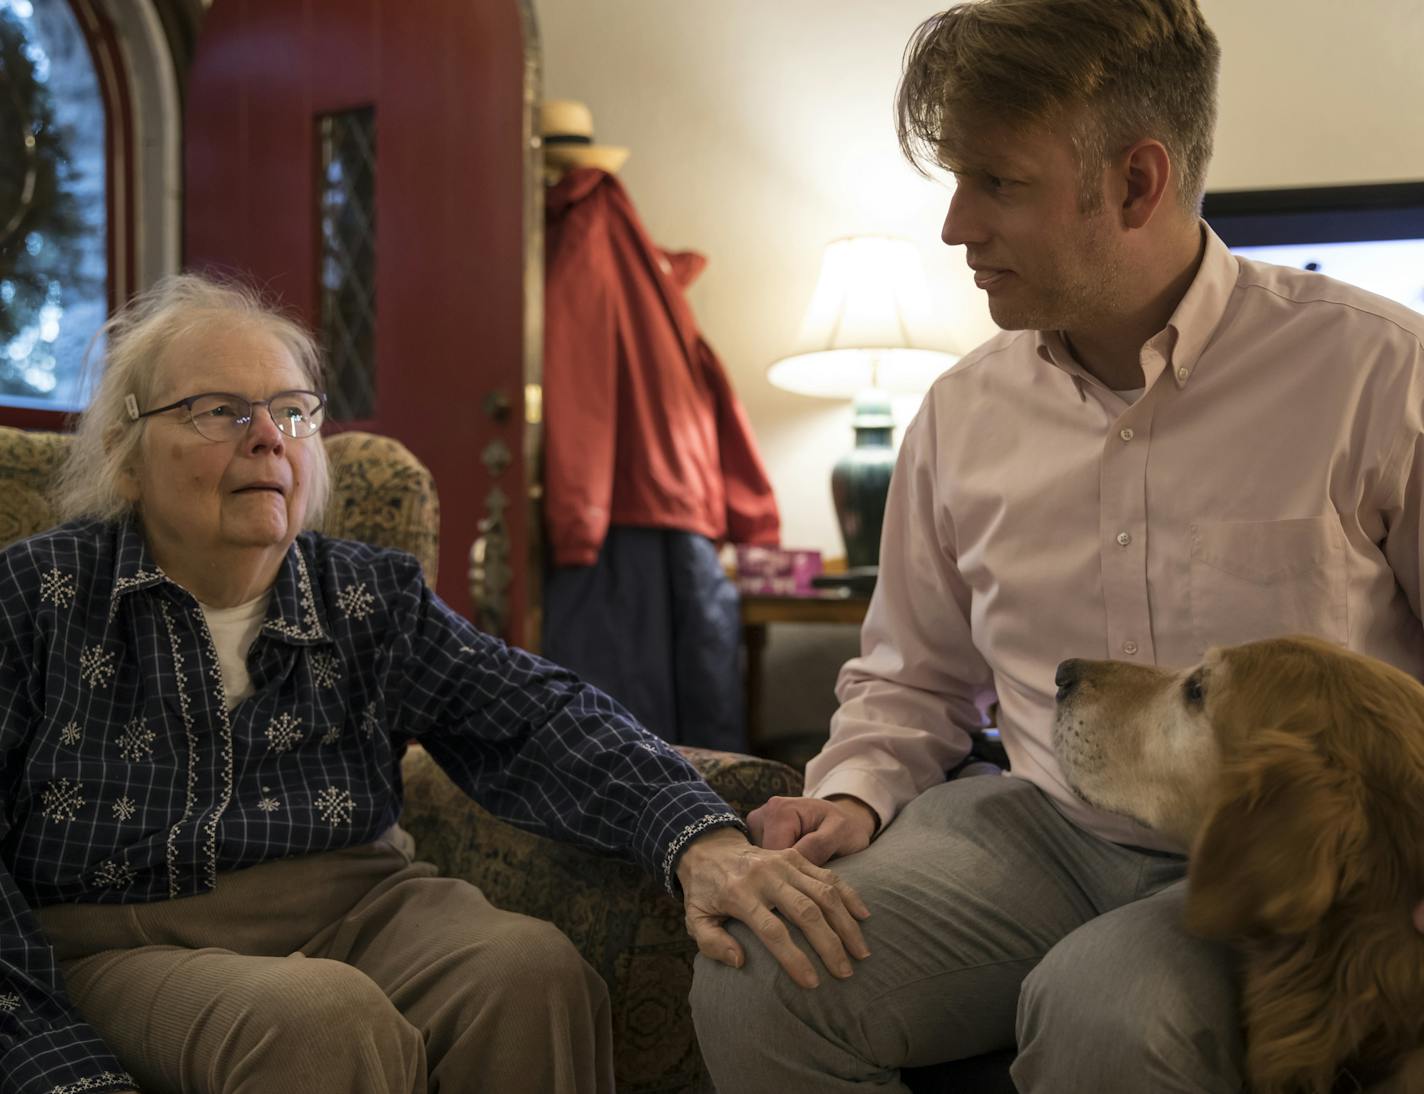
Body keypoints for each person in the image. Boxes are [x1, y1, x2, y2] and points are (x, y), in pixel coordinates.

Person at [691, 2, 1424, 1091]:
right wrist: (848, 793)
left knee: (1105, 1010)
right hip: (1034, 826)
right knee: (759, 965)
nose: (953, 227)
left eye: (996, 183)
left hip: (1271, 862)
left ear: (1136, 182)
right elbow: (909, 683)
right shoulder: (959, 412)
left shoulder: (1376, 372)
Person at [0, 274, 868, 1094]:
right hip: (124, 934)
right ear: (125, 453)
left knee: (530, 974)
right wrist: (48, 1054)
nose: (268, 437)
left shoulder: (369, 595)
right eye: (218, 411)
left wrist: (698, 840)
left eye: (292, 413)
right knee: (318, 1021)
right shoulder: (37, 598)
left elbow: (536, 718)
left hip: (360, 903)